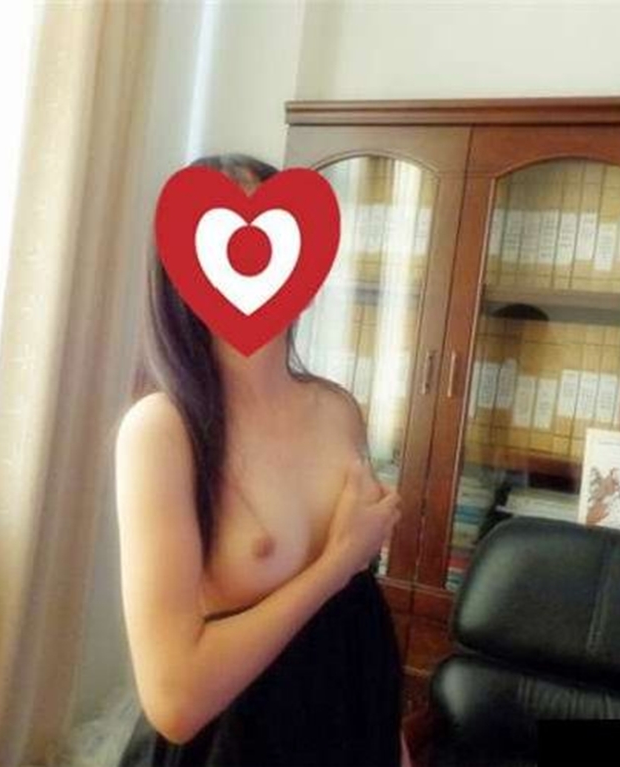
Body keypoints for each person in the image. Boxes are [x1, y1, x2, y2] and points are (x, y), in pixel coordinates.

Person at [114, 153, 412, 767]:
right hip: (236, 745)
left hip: (346, 727)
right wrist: (336, 564)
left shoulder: (337, 409)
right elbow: (175, 699)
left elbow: (357, 623)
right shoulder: (161, 431)